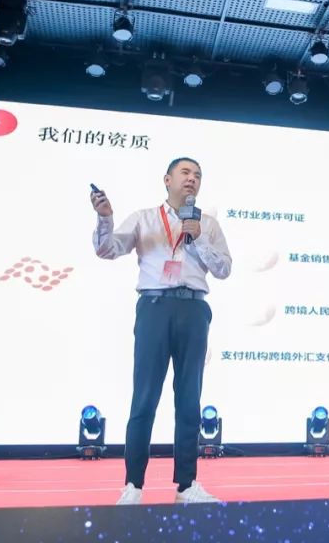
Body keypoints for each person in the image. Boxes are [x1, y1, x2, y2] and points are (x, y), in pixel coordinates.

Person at [91, 157, 232, 505]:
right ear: (167, 180)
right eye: (185, 172)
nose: (192, 179)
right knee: (145, 397)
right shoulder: (144, 218)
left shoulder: (208, 224)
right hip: (154, 308)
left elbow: (224, 269)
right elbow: (107, 250)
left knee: (189, 400)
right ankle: (133, 485)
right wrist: (105, 217)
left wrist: (198, 238)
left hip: (194, 309)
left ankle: (186, 485)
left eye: (197, 175)